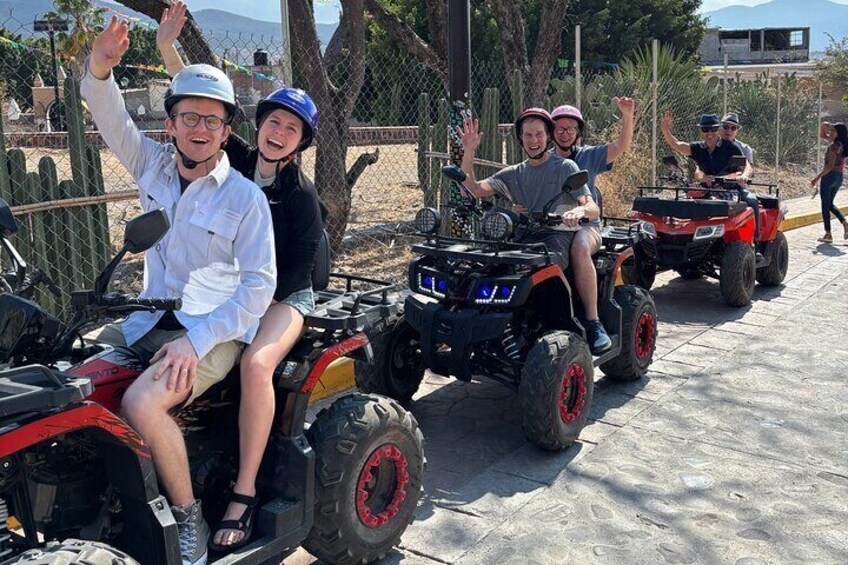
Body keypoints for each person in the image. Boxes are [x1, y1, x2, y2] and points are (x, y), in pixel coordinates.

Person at [81, 17, 276, 565]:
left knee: (142, 401)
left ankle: (189, 518)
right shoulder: (153, 167)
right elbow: (109, 115)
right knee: (69, 373)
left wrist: (196, 342)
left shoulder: (244, 199)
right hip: (147, 318)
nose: (199, 127)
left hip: (212, 330)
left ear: (224, 131)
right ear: (171, 123)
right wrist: (100, 66)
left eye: (211, 120)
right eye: (188, 116)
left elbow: (257, 291)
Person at [157, 2, 324, 552]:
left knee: (255, 364)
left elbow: (298, 268)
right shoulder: (235, 155)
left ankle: (245, 492)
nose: (279, 132)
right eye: (274, 121)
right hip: (237, 288)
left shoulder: (301, 198)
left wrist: (249, 312)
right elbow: (197, 107)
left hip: (285, 294)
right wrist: (166, 45)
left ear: (302, 140)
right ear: (258, 125)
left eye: (291, 127)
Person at [456, 108, 610, 354]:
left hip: (559, 235)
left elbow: (591, 207)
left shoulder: (566, 167)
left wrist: (579, 212)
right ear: (520, 139)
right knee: (489, 264)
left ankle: (592, 322)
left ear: (548, 137)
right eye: (528, 135)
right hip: (525, 235)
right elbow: (473, 189)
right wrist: (469, 152)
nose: (534, 141)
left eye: (539, 134)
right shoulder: (513, 173)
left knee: (545, 265)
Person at [550, 99, 634, 354]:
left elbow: (621, 146)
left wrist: (627, 116)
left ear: (577, 133)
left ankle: (593, 321)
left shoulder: (589, 155)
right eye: (559, 128)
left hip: (587, 225)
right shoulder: (543, 157)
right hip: (552, 226)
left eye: (570, 129)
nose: (564, 133)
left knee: (579, 248)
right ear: (552, 132)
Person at [661, 112, 762, 259]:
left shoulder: (731, 147)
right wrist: (665, 130)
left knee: (750, 201)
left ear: (717, 129)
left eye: (713, 129)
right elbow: (678, 145)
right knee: (682, 202)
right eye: (705, 130)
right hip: (707, 189)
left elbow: (746, 165)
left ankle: (755, 242)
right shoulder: (698, 148)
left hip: (730, 189)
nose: (709, 133)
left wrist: (743, 176)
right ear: (701, 131)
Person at [810, 121, 848, 242]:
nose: (829, 133)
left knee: (825, 205)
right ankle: (845, 223)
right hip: (839, 177)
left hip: (829, 177)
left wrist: (817, 178)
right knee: (830, 204)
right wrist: (823, 126)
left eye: (832, 131)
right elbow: (822, 135)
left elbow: (830, 166)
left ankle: (828, 233)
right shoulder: (843, 145)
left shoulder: (833, 147)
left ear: (837, 134)